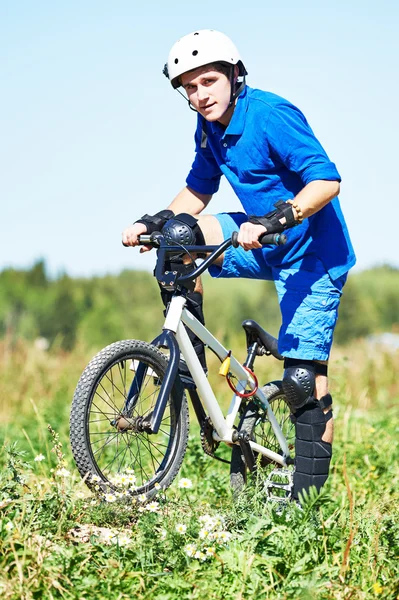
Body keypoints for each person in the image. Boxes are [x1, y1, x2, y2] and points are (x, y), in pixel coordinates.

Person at [122, 29, 356, 502]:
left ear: (233, 74)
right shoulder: (208, 127)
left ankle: (302, 505)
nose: (199, 94)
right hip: (260, 239)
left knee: (302, 381)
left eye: (207, 81)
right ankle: (191, 366)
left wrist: (278, 217)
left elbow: (327, 181)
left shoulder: (271, 115)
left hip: (311, 252)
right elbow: (197, 191)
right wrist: (155, 220)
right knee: (178, 239)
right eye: (189, 87)